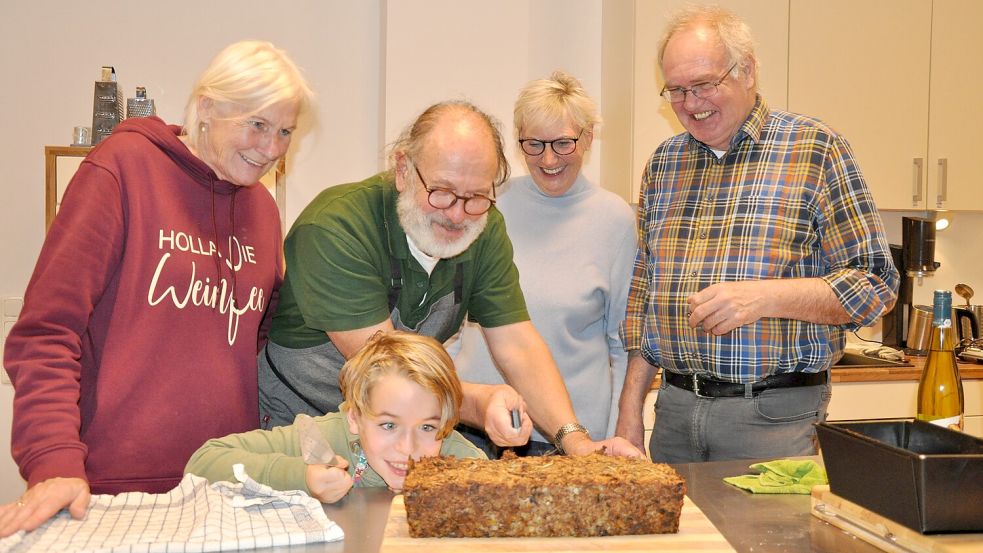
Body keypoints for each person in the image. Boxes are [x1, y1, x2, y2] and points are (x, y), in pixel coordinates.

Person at [0, 41, 313, 537]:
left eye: (285, 131)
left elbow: (256, 341)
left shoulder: (263, 212)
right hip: (110, 492)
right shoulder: (122, 169)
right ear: (207, 108)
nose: (272, 149)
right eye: (257, 125)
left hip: (228, 490)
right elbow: (46, 333)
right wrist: (54, 461)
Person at [258, 100, 641, 458]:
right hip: (305, 423)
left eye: (476, 196)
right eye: (442, 193)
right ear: (404, 169)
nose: (458, 215)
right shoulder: (337, 226)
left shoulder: (484, 228)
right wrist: (477, 403)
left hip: (404, 427)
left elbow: (517, 343)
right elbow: (386, 371)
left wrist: (574, 439)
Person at [616, 5, 899, 463]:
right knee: (675, 537)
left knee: (766, 538)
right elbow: (645, 298)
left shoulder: (816, 149)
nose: (690, 104)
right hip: (673, 413)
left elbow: (876, 286)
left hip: (773, 419)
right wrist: (630, 411)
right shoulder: (664, 164)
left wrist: (765, 298)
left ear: (747, 70)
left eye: (704, 84)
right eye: (677, 90)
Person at [450, 72, 636, 457]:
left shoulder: (614, 220)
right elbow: (451, 316)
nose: (548, 159)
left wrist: (622, 427)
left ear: (587, 137)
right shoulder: (487, 202)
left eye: (563, 143)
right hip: (476, 428)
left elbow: (621, 344)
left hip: (568, 439)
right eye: (534, 144)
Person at [187, 331, 485, 499]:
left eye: (427, 428)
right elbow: (203, 462)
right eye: (388, 424)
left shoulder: (457, 457)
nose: (407, 449)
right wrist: (301, 478)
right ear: (355, 417)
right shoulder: (322, 441)